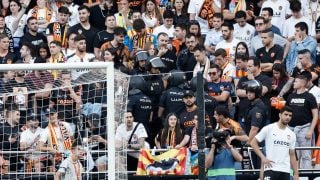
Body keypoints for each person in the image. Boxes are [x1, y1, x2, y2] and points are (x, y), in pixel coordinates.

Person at [250, 106, 299, 180]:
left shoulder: (292, 134)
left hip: (285, 170)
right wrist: (263, 157)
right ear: (280, 115)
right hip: (270, 169)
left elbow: (292, 155)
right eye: (286, 114)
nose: (288, 117)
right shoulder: (269, 128)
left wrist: (296, 173)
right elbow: (253, 142)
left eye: (290, 115)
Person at [286, 74, 318, 169]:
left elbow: (315, 115)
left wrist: (310, 130)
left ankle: (306, 176)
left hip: (305, 128)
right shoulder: (290, 96)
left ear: (302, 83)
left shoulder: (310, 96)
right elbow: (286, 113)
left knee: (306, 155)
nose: (294, 83)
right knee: (292, 155)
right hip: (291, 129)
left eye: (296, 81)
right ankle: (293, 176)